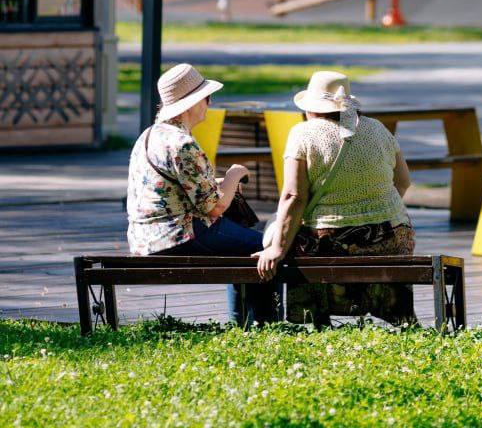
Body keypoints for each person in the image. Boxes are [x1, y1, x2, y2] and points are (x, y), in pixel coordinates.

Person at [254, 70, 414, 325]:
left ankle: (315, 318)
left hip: (332, 240)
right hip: (392, 235)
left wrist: (276, 248)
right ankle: (398, 315)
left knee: (292, 237)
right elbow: (403, 182)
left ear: (310, 107)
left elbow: (294, 196)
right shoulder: (377, 128)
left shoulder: (303, 134)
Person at [126, 63, 281, 325]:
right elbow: (215, 208)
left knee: (240, 246)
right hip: (177, 234)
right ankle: (266, 324)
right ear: (191, 103)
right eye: (206, 97)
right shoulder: (182, 143)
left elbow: (175, 187)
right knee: (263, 247)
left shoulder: (149, 135)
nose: (209, 103)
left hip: (144, 236)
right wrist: (234, 175)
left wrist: (218, 182)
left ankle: (242, 323)